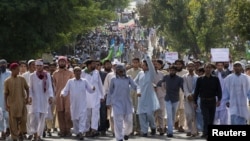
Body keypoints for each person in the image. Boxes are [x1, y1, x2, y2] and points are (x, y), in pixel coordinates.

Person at [61, 66, 95, 140]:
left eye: (79, 71)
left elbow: (90, 90)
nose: (78, 73)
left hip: (82, 103)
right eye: (76, 71)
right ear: (74, 73)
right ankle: (77, 132)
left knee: (82, 117)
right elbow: (65, 90)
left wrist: (93, 89)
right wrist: (62, 94)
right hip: (74, 103)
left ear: (81, 72)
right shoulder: (70, 81)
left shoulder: (84, 81)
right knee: (75, 118)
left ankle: (81, 132)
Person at [106, 64, 137, 141]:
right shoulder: (113, 79)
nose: (121, 72)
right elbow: (110, 92)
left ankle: (126, 133)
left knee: (129, 121)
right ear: (116, 71)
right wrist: (108, 102)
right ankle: (119, 138)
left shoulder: (128, 78)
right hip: (116, 103)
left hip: (127, 103)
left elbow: (135, 86)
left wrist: (139, 91)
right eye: (119, 70)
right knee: (118, 122)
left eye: (122, 70)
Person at [193, 62, 222, 138]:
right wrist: (195, 102)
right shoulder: (200, 79)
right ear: (204, 68)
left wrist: (219, 99)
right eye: (207, 67)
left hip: (212, 101)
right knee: (205, 117)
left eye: (209, 67)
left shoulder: (215, 79)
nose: (208, 69)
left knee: (211, 118)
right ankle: (205, 132)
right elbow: (196, 91)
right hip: (203, 101)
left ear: (211, 69)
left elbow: (219, 90)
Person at [134, 53, 159, 137]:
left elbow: (151, 67)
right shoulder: (140, 73)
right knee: (141, 114)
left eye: (145, 65)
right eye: (143, 65)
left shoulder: (151, 73)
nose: (143, 66)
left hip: (149, 97)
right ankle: (144, 131)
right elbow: (135, 83)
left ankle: (153, 126)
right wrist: (137, 90)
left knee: (149, 114)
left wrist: (147, 58)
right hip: (141, 97)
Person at [4, 63, 31, 141]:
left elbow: (27, 88)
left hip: (22, 103)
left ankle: (21, 133)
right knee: (13, 121)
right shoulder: (7, 81)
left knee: (23, 119)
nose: (18, 71)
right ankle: (14, 137)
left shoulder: (22, 79)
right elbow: (5, 93)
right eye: (16, 70)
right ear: (12, 70)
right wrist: (6, 104)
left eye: (18, 69)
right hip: (12, 104)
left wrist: (27, 98)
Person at [29, 59, 54, 141]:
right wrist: (30, 97)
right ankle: (34, 133)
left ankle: (39, 135)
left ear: (42, 66)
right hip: (35, 99)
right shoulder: (32, 76)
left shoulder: (47, 75)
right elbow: (30, 88)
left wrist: (50, 96)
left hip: (44, 98)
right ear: (35, 66)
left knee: (42, 118)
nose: (39, 67)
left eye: (40, 66)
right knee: (34, 117)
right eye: (37, 66)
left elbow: (50, 86)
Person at [157, 65, 183, 137]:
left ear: (175, 71)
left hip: (176, 99)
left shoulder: (180, 79)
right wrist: (157, 85)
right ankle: (170, 132)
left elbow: (183, 87)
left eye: (173, 70)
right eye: (170, 70)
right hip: (167, 99)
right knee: (169, 114)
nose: (172, 71)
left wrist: (187, 95)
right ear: (169, 70)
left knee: (173, 115)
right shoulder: (166, 77)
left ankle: (170, 127)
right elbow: (160, 83)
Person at [81, 59, 104, 137]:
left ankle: (94, 129)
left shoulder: (96, 72)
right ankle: (87, 130)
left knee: (95, 113)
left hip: (96, 96)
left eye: (95, 64)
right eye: (93, 64)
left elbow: (100, 84)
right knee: (87, 114)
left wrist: (102, 95)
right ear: (88, 65)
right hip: (86, 97)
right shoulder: (82, 72)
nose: (95, 65)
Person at [52, 56, 74, 137]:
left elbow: (73, 84)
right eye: (60, 62)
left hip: (68, 95)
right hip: (58, 96)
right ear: (58, 63)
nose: (62, 63)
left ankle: (68, 130)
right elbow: (54, 85)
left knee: (68, 112)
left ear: (66, 63)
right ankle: (62, 130)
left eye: (63, 62)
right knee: (60, 112)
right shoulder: (55, 73)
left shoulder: (70, 73)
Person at [126, 57, 142, 135]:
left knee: (138, 111)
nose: (135, 64)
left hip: (139, 94)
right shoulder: (128, 72)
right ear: (132, 63)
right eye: (134, 62)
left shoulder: (141, 72)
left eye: (136, 62)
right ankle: (131, 128)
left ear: (139, 63)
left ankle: (138, 128)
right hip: (130, 93)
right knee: (131, 111)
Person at [182, 61, 198, 137]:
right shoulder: (184, 77)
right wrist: (188, 95)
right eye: (189, 66)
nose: (190, 68)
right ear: (187, 67)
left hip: (195, 98)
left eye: (192, 66)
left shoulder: (197, 77)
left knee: (194, 115)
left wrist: (193, 94)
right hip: (186, 98)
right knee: (188, 114)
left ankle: (194, 131)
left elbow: (197, 88)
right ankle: (189, 129)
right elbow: (184, 87)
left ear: (194, 67)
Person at [22, 59, 35, 139]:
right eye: (32, 64)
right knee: (28, 116)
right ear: (29, 66)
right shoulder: (24, 75)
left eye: (35, 64)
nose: (34, 66)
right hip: (27, 98)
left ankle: (35, 132)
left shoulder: (37, 74)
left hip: (36, 98)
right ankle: (30, 132)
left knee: (34, 115)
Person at [0, 59, 11, 140]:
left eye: (4, 63)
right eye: (1, 64)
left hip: (8, 98)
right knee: (0, 117)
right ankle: (2, 132)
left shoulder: (9, 73)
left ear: (6, 65)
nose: (2, 65)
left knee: (7, 116)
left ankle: (8, 128)